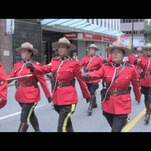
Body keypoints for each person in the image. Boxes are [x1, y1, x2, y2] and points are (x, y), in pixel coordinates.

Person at [26, 37, 90, 132]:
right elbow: (44, 69)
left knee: (61, 127)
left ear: (68, 49)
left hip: (69, 98)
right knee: (66, 122)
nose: (60, 49)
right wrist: (33, 68)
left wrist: (86, 94)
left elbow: (81, 80)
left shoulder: (74, 63)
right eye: (59, 47)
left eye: (63, 47)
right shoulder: (54, 61)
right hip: (57, 98)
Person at [83, 40, 141, 132]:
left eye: (118, 52)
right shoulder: (106, 67)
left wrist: (138, 97)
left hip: (123, 105)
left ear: (123, 54)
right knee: (113, 126)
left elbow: (136, 85)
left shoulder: (130, 69)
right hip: (108, 104)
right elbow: (98, 73)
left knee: (115, 130)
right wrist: (88, 75)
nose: (115, 54)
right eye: (113, 52)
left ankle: (124, 120)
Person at [7, 42, 52, 132]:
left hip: (31, 95)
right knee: (30, 115)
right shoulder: (17, 65)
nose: (22, 53)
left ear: (30, 53)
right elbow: (10, 77)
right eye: (21, 51)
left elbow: (42, 81)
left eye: (24, 51)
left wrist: (48, 95)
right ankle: (37, 130)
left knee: (24, 117)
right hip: (20, 95)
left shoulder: (35, 65)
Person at [80, 43, 103, 116]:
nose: (91, 50)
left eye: (92, 49)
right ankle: (94, 103)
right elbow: (79, 65)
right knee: (89, 91)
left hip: (95, 77)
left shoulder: (99, 59)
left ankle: (90, 107)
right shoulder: (85, 58)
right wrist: (81, 73)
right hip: (87, 77)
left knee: (92, 91)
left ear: (95, 50)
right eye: (90, 49)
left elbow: (102, 69)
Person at [136, 43, 151, 124]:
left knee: (150, 98)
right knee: (145, 98)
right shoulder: (141, 59)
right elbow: (137, 67)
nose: (148, 51)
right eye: (147, 50)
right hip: (144, 81)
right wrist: (140, 72)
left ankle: (148, 113)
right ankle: (147, 110)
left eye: (150, 50)